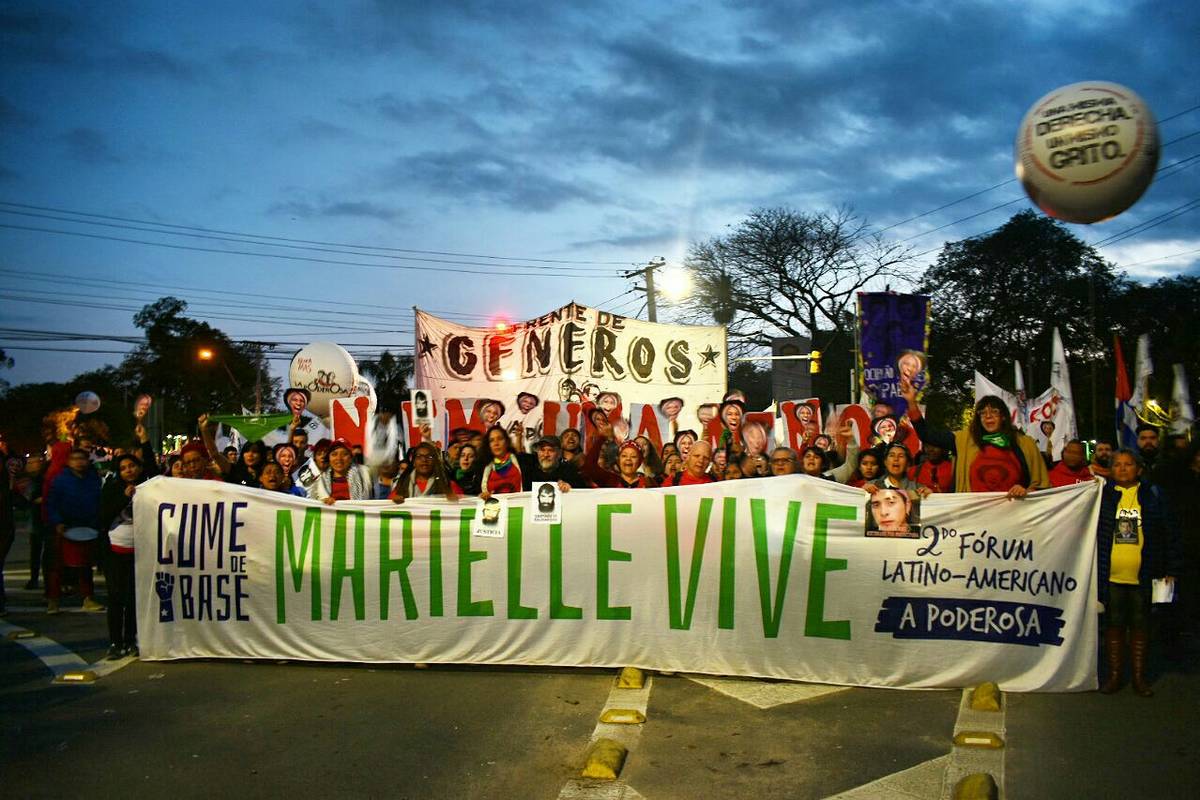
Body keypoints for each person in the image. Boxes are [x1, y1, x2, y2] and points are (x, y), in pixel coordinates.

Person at [1097, 450, 1181, 696]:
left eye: (1128, 464)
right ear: (1111, 470)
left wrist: (1172, 569)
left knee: (1141, 624)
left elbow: (1170, 534)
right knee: (1113, 625)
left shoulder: (1154, 495)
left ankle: (1138, 677)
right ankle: (1114, 677)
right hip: (1111, 575)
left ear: (1139, 469)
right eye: (1118, 465)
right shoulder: (1102, 497)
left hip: (1145, 574)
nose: (1123, 469)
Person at [900, 379, 1047, 496]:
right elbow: (927, 434)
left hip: (1013, 517)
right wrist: (911, 402)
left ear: (1003, 417)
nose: (988, 416)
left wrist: (1026, 491)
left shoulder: (1025, 443)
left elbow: (1041, 488)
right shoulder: (964, 440)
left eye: (994, 412)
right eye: (983, 413)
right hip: (975, 517)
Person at [97, 424, 157, 658]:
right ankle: (115, 642)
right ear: (118, 472)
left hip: (139, 551)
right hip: (115, 551)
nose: (129, 470)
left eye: (132, 466)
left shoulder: (146, 486)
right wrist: (123, 499)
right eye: (123, 468)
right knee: (116, 597)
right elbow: (102, 516)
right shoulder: (112, 489)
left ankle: (131, 640)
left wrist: (145, 441)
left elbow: (153, 469)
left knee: (134, 598)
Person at [46, 448, 105, 614]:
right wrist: (57, 522)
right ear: (68, 461)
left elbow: (99, 502)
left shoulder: (93, 479)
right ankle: (53, 600)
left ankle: (88, 598)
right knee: (57, 567)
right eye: (75, 458)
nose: (79, 462)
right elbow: (52, 503)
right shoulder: (60, 480)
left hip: (88, 528)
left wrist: (96, 523)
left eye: (82, 458)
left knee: (85, 566)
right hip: (65, 528)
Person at [583, 415, 656, 488]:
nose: (628, 459)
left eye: (633, 456)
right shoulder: (609, 479)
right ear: (618, 460)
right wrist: (602, 437)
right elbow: (589, 467)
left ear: (639, 462)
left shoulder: (649, 483)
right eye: (624, 456)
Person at [391, 441, 460, 502]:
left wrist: (454, 502)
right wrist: (395, 503)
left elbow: (462, 508)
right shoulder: (402, 486)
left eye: (429, 457)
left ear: (435, 461)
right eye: (419, 456)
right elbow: (387, 508)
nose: (424, 460)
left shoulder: (449, 486)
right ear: (414, 462)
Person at [310, 439, 373, 504]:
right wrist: (324, 502)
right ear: (329, 458)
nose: (339, 458)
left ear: (351, 458)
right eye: (334, 454)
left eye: (344, 454)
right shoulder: (321, 481)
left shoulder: (365, 474)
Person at [264, 387, 329, 448]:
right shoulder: (276, 425)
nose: (298, 403)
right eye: (294, 399)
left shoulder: (316, 422)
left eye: (302, 400)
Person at [478, 425, 524, 498]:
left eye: (500, 439)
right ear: (488, 445)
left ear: (506, 441)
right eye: (492, 440)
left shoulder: (522, 462)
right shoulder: (482, 467)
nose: (496, 443)